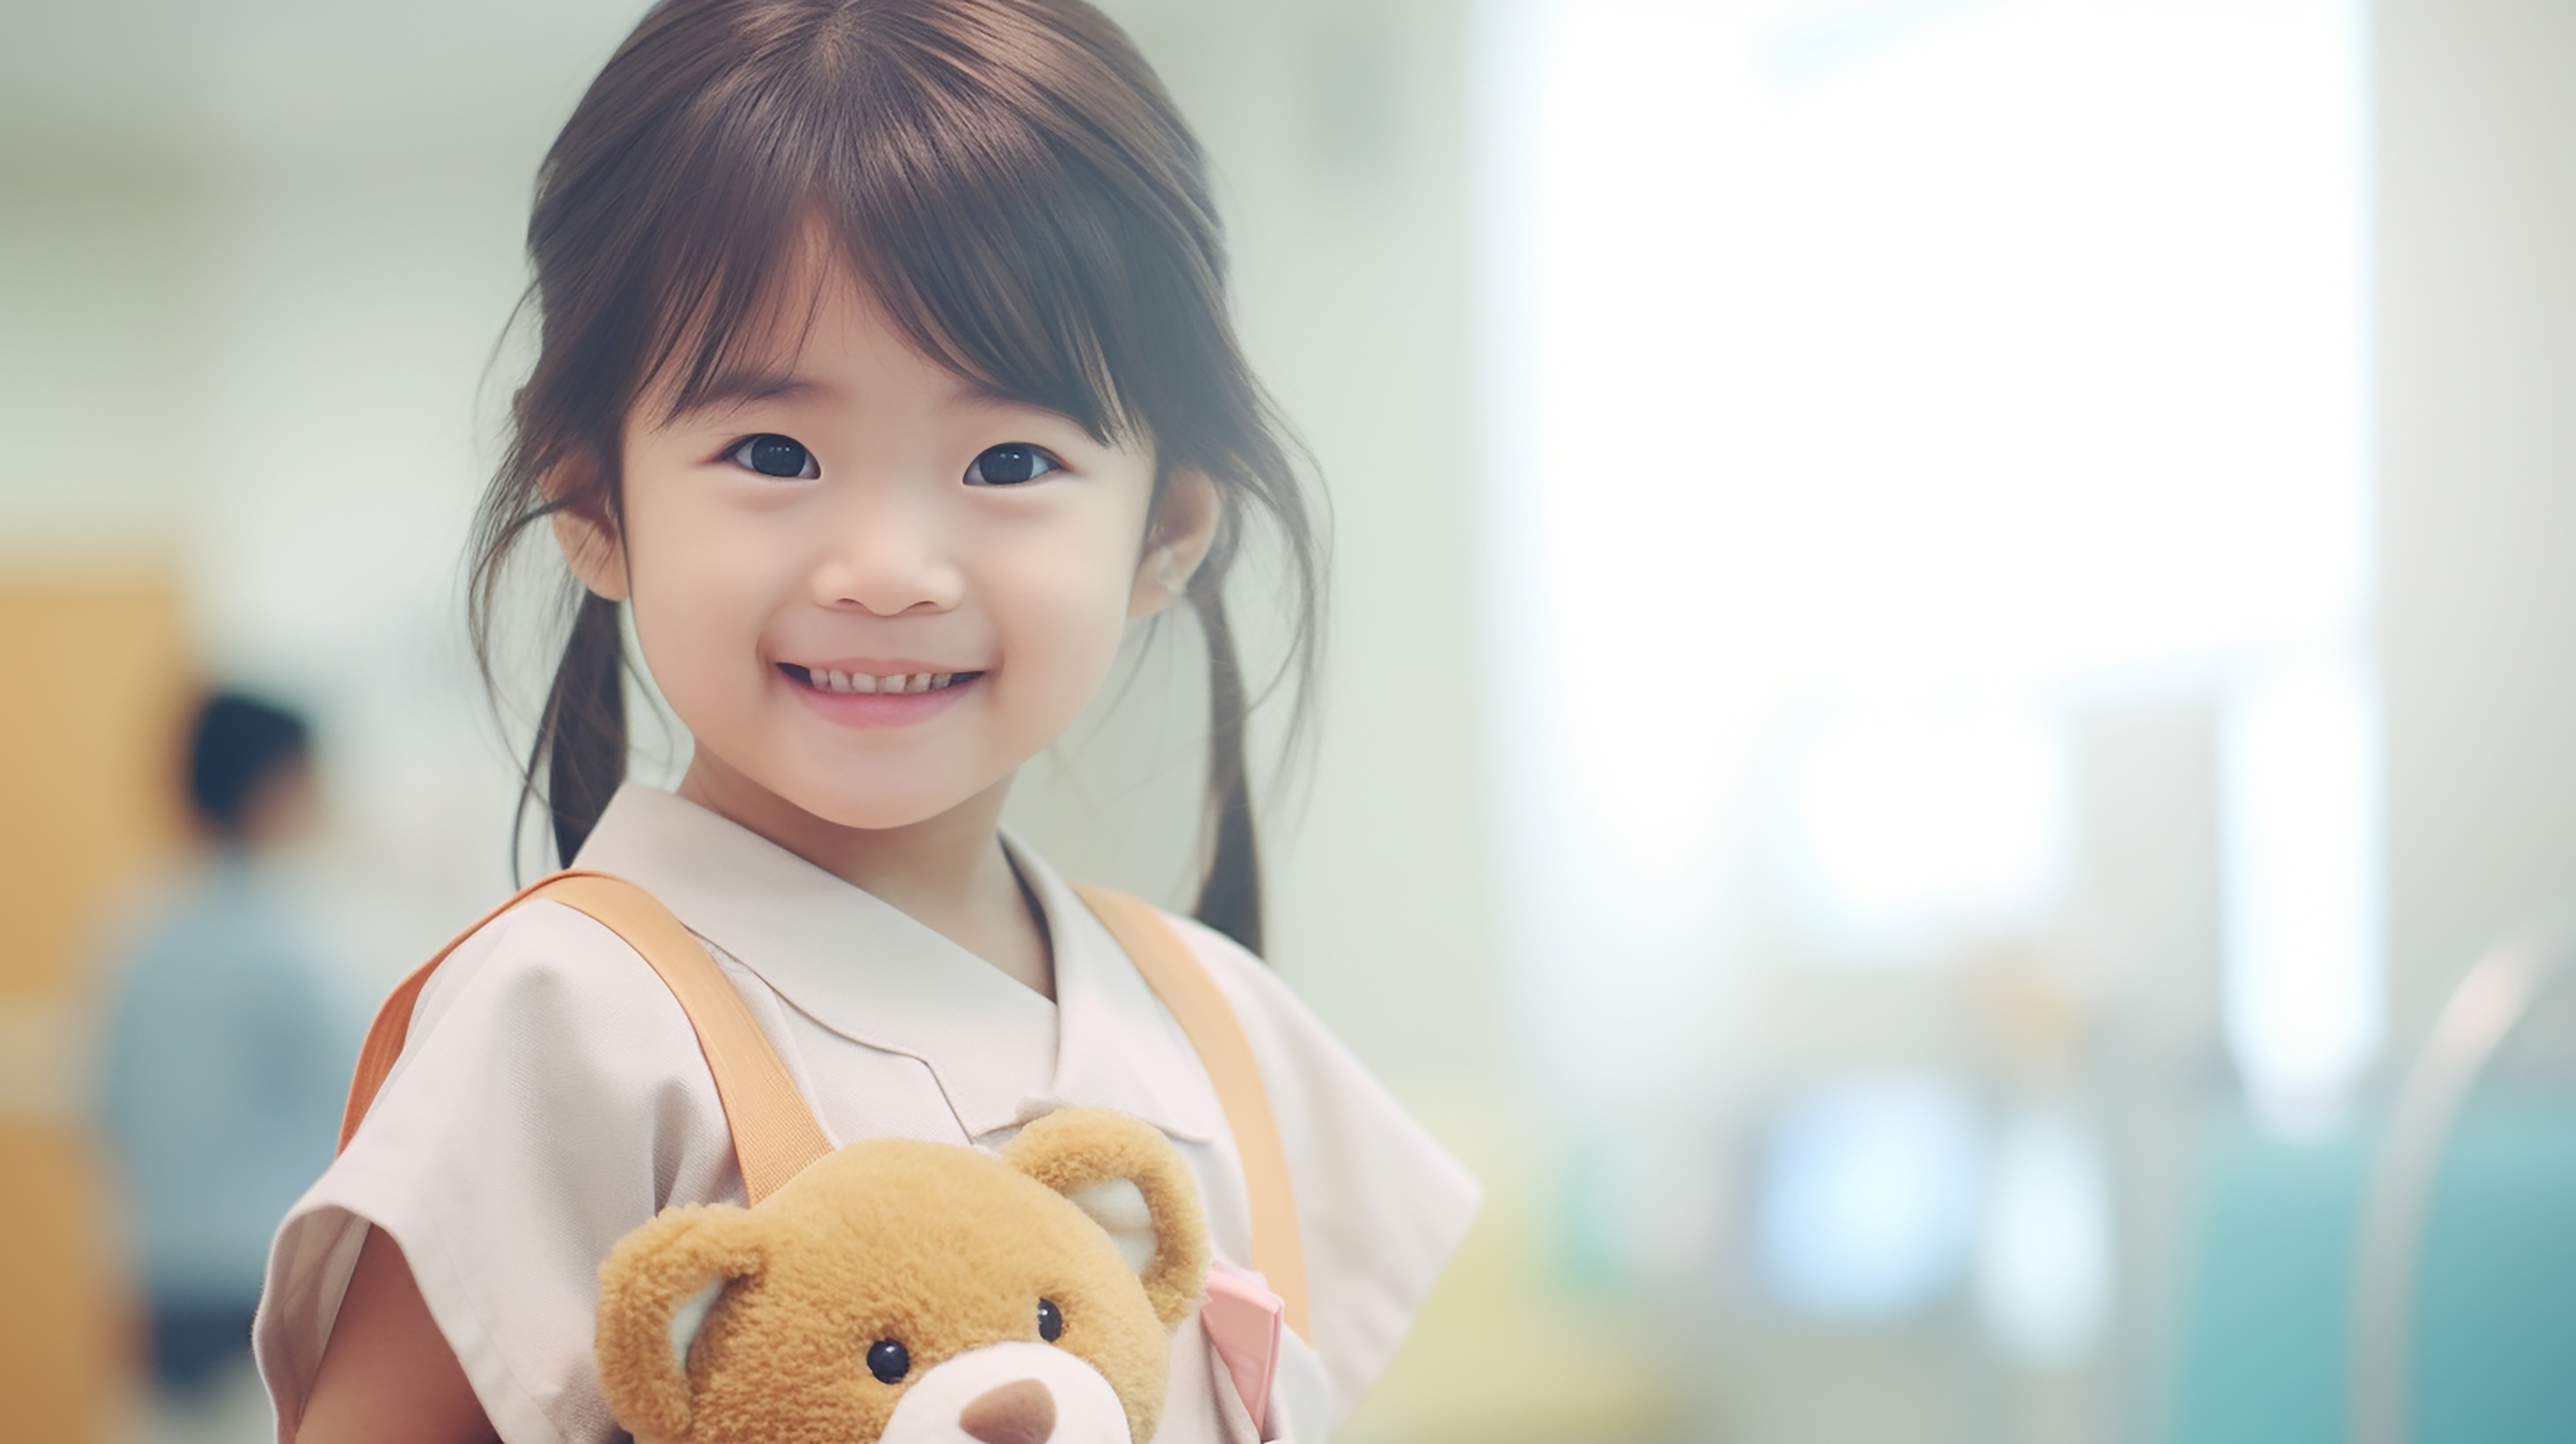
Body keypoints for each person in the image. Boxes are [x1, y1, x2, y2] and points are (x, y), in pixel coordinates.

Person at [252, 3, 1479, 1441]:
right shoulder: (571, 1030)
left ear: (1169, 527)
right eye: (775, 452)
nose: (889, 569)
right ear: (590, 494)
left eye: (1010, 457)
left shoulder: (1229, 1036)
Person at [99, 692, 348, 1417]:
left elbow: (108, 1109)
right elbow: (362, 1120)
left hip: (162, 1284)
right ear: (276, 787)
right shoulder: (297, 947)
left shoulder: (135, 934)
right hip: (270, 1290)